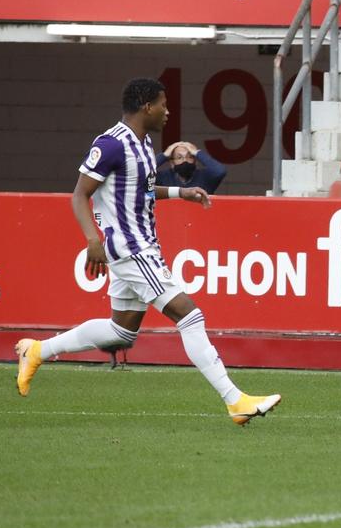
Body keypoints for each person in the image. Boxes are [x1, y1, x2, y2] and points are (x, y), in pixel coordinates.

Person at [15, 78, 279, 424]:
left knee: (121, 331)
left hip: (142, 245)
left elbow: (141, 191)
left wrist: (179, 193)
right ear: (146, 107)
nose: (168, 112)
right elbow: (79, 194)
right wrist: (92, 240)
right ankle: (235, 400)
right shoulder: (110, 144)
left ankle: (37, 350)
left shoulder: (144, 143)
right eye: (163, 105)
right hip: (130, 248)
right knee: (189, 314)